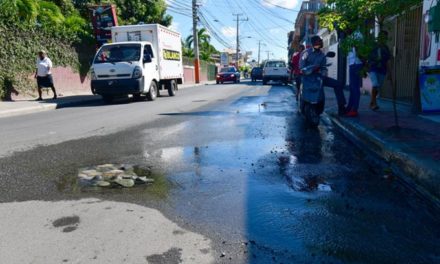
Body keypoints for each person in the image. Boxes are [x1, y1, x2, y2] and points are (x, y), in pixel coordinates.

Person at [300, 36, 347, 115]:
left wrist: (323, 73)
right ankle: (302, 104)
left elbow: (324, 68)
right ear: (313, 43)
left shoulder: (322, 55)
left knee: (338, 84)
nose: (320, 43)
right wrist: (307, 70)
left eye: (320, 41)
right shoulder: (306, 53)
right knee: (302, 88)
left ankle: (341, 107)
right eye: (318, 41)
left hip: (319, 78)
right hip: (308, 78)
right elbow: (301, 66)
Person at [368, 31, 391, 111]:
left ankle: (372, 101)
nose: (384, 39)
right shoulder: (373, 46)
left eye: (385, 38)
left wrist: (389, 73)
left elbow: (388, 60)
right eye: (382, 37)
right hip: (373, 68)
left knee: (378, 87)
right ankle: (374, 103)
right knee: (375, 84)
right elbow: (368, 57)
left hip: (382, 70)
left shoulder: (386, 48)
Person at [345, 46, 364, 117]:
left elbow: (358, 50)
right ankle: (350, 107)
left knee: (355, 88)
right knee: (352, 88)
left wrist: (363, 62)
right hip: (353, 64)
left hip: (356, 63)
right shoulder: (351, 36)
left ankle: (354, 109)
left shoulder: (357, 35)